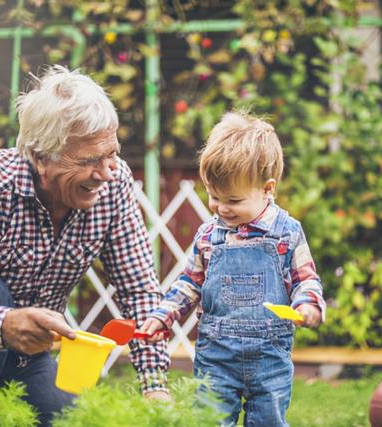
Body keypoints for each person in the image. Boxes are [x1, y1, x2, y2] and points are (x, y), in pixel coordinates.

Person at [0, 65, 170, 425]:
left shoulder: (114, 184)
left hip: (26, 361)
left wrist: (155, 384)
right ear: (41, 157)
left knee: (69, 419)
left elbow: (139, 288)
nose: (107, 171)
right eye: (89, 160)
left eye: (112, 153)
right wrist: (2, 325)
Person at [140, 111, 326, 426]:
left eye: (233, 200)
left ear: (268, 189)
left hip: (269, 358)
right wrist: (164, 315)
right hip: (216, 356)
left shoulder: (287, 233)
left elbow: (306, 280)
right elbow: (189, 283)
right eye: (214, 197)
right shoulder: (208, 236)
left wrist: (308, 304)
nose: (221, 208)